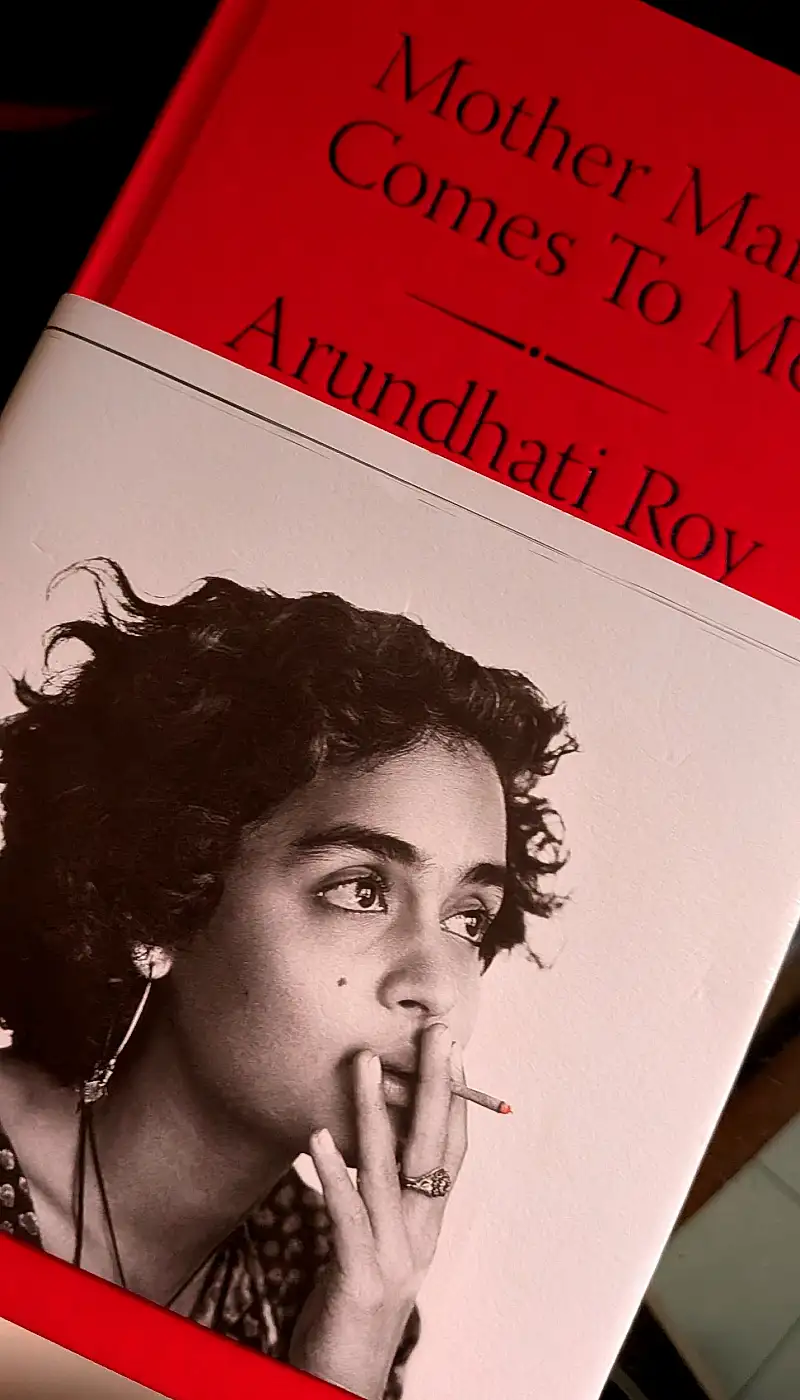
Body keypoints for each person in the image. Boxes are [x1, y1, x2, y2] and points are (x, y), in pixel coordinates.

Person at [0, 559, 575, 1399]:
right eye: (362, 890)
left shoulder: (338, 1280)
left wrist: (347, 1366)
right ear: (159, 908)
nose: (439, 987)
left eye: (467, 918)